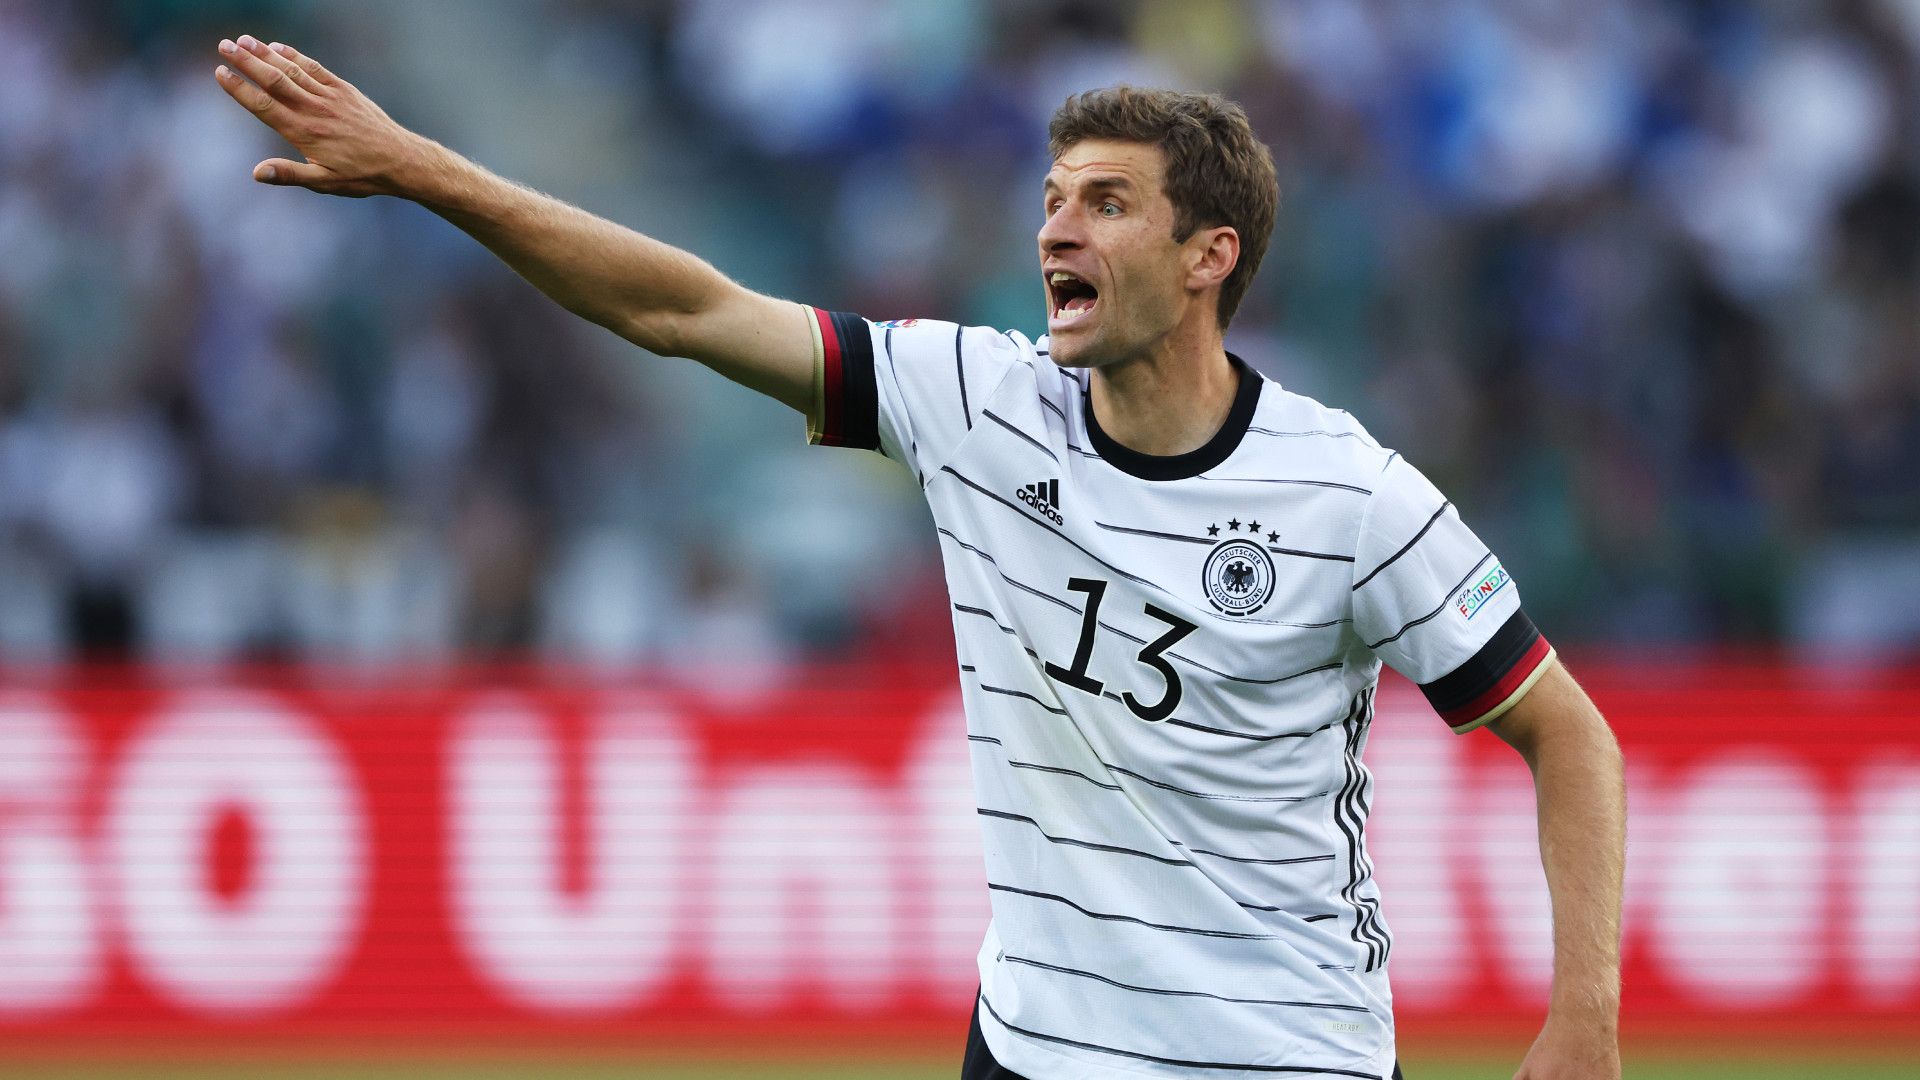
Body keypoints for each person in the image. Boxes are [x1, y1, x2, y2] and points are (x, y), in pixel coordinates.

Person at [211, 33, 1625, 1080]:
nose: (1055, 225)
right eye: (1056, 194)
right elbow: (683, 311)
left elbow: (1567, 736)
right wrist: (423, 173)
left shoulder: (1348, 494)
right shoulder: (975, 402)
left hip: (1279, 1054)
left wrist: (1584, 1017)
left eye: (1107, 202)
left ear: (1212, 256)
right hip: (1029, 1046)